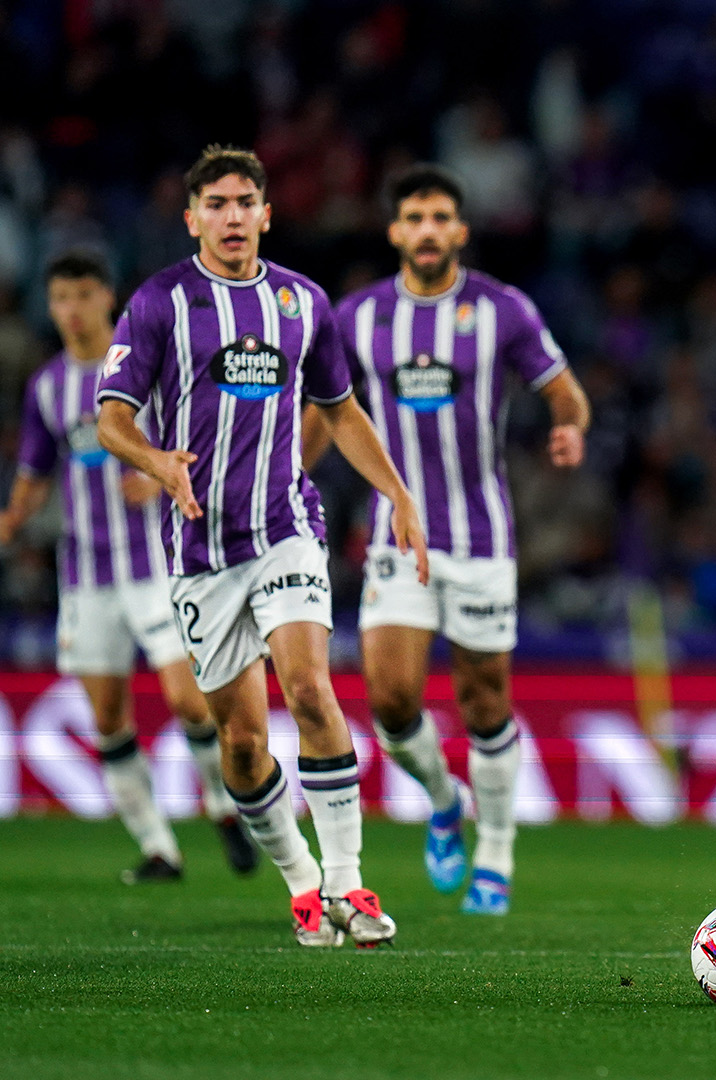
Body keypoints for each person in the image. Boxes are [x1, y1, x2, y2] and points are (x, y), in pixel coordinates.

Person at [95, 145, 428, 947]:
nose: (233, 215)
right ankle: (303, 881)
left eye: (246, 201)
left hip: (287, 530)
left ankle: (349, 884)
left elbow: (340, 409)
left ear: (267, 213)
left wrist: (398, 492)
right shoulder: (158, 303)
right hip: (202, 553)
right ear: (192, 218)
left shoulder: (302, 301)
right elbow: (111, 418)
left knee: (310, 689)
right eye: (217, 203)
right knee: (241, 746)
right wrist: (156, 460)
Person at [324, 165, 590, 916]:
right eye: (416, 218)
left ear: (460, 230)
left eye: (442, 217)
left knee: (482, 703)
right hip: (396, 535)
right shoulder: (357, 317)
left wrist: (571, 424)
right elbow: (327, 410)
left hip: (480, 540)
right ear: (396, 232)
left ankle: (496, 854)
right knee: (392, 700)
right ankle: (443, 798)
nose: (429, 230)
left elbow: (562, 387)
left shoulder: (501, 308)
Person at [0, 250, 255, 883]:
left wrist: (159, 468)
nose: (73, 309)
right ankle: (158, 849)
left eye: (85, 294)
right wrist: (9, 520)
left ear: (108, 300)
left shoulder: (144, 373)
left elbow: (193, 442)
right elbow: (35, 475)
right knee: (109, 718)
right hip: (86, 579)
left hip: (157, 568)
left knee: (187, 699)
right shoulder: (48, 387)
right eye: (61, 297)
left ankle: (224, 807)